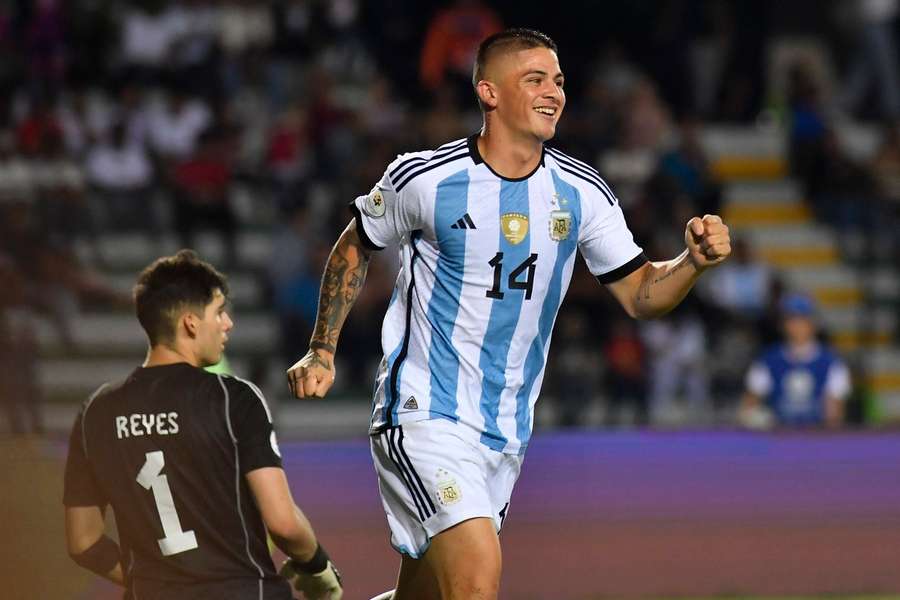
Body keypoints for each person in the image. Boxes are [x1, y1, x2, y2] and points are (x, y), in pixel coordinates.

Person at [287, 28, 732, 600]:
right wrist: (322, 348)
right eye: (536, 79)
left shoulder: (581, 192)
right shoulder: (425, 178)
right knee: (477, 581)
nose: (554, 92)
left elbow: (641, 293)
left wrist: (691, 264)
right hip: (424, 414)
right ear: (489, 92)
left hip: (504, 435)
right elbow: (354, 244)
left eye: (559, 81)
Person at [63, 250, 342, 599]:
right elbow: (283, 522)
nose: (228, 324)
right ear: (190, 323)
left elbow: (83, 542)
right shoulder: (234, 398)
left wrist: (145, 582)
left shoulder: (96, 412)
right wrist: (316, 563)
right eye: (219, 312)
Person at [739, 293, 850, 429]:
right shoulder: (768, 360)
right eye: (792, 320)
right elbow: (750, 404)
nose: (797, 326)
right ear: (782, 325)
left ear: (813, 324)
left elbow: (834, 413)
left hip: (816, 437)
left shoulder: (830, 362)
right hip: (777, 436)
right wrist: (757, 418)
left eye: (802, 320)